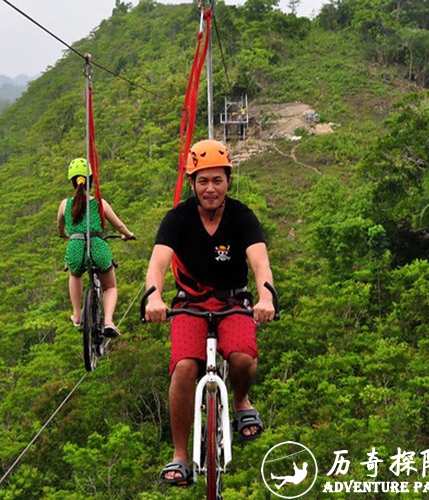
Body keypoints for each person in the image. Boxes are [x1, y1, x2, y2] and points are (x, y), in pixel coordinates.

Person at [143, 139, 276, 485]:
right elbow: (157, 264)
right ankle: (180, 456)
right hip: (190, 303)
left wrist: (266, 298)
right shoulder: (178, 219)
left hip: (233, 301)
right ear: (192, 184)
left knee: (244, 359)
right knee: (185, 368)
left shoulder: (242, 216)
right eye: (202, 181)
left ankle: (242, 402)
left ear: (228, 181)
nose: (210, 188)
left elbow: (260, 263)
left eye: (217, 180)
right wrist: (153, 297)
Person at [57, 158, 134, 337]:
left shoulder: (65, 205)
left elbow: (60, 227)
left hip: (75, 247)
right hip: (97, 247)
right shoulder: (100, 203)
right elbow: (119, 226)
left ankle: (77, 315)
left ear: (72, 181)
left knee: (75, 274)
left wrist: (66, 235)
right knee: (111, 287)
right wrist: (128, 235)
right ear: (90, 180)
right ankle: (108, 321)